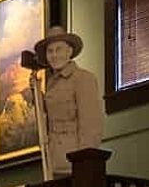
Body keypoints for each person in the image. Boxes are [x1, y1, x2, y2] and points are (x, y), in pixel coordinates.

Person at [32, 26, 104, 178]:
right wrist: (35, 92)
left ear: (69, 51)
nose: (54, 55)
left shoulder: (83, 78)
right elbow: (45, 123)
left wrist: (84, 163)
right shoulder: (51, 86)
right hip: (54, 165)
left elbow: (91, 125)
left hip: (76, 166)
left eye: (58, 49)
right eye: (50, 51)